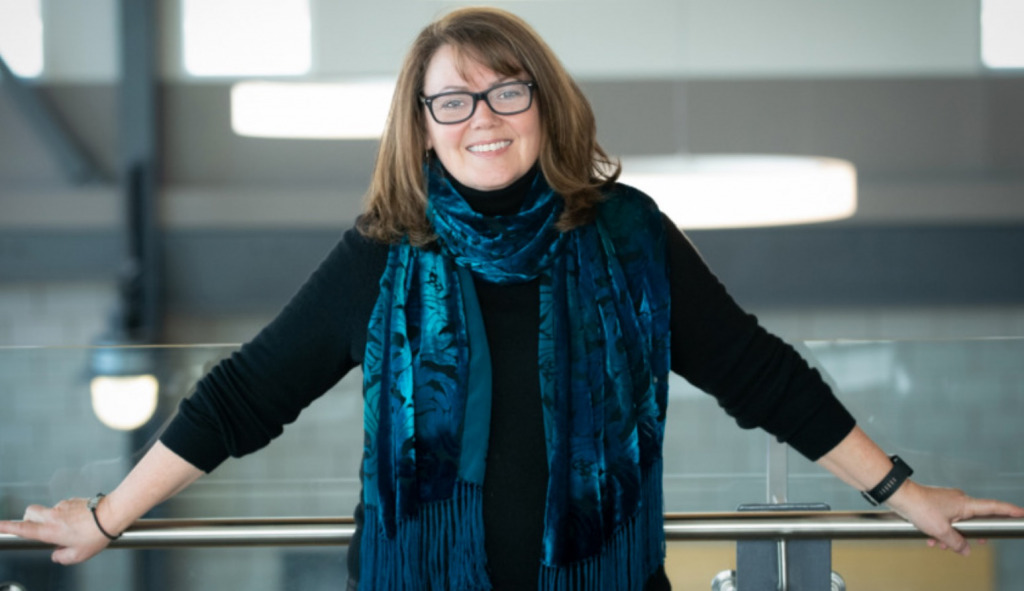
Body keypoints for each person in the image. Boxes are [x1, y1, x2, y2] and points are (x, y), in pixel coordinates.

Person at [2, 6, 1022, 591]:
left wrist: (901, 491)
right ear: (422, 123)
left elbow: (758, 374)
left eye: (504, 91)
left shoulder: (626, 235)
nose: (479, 118)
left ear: (543, 102)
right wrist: (108, 514)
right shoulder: (386, 253)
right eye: (451, 99)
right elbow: (245, 395)